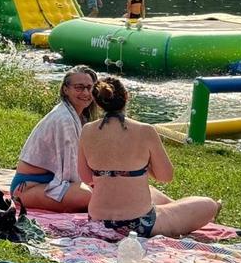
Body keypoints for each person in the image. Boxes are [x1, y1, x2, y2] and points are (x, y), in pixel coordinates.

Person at [78, 75, 221, 238]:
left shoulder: (87, 130)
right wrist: (143, 165)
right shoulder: (145, 130)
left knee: (152, 192)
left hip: (97, 221)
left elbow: (85, 177)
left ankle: (175, 207)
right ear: (127, 96)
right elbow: (165, 176)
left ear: (98, 102)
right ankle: (190, 208)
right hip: (139, 224)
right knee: (208, 205)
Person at [11, 66, 100, 212]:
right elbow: (72, 170)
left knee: (109, 190)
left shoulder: (80, 117)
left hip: (53, 183)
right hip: (29, 187)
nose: (85, 92)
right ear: (66, 90)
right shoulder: (64, 119)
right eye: (79, 87)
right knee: (87, 196)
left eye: (89, 88)